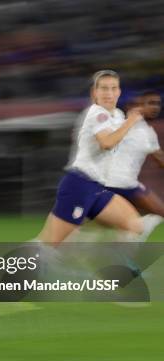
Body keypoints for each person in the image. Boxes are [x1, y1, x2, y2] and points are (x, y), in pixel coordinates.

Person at [38, 70, 147, 245]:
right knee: (49, 244)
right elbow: (107, 143)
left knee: (134, 225)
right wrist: (131, 122)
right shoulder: (97, 113)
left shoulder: (117, 115)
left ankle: (107, 269)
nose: (109, 93)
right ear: (94, 92)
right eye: (104, 88)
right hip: (80, 185)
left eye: (113, 88)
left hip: (97, 188)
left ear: (119, 92)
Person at [105, 91, 164, 219]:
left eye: (158, 104)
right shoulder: (118, 123)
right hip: (108, 183)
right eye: (151, 103)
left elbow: (161, 160)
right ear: (138, 105)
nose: (155, 107)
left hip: (127, 184)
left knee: (157, 212)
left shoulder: (149, 134)